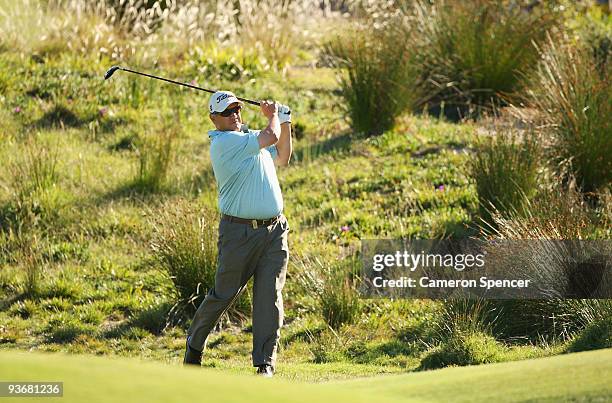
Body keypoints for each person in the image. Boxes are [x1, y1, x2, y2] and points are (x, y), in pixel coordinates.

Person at [183, 90, 292, 378]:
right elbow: (270, 137)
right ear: (213, 118)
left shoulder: (248, 137)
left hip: (273, 231)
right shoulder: (224, 143)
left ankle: (264, 363)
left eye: (237, 109)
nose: (234, 116)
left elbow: (282, 156)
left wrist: (286, 120)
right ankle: (194, 344)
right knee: (224, 294)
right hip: (238, 233)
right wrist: (273, 117)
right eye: (227, 112)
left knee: (270, 296)